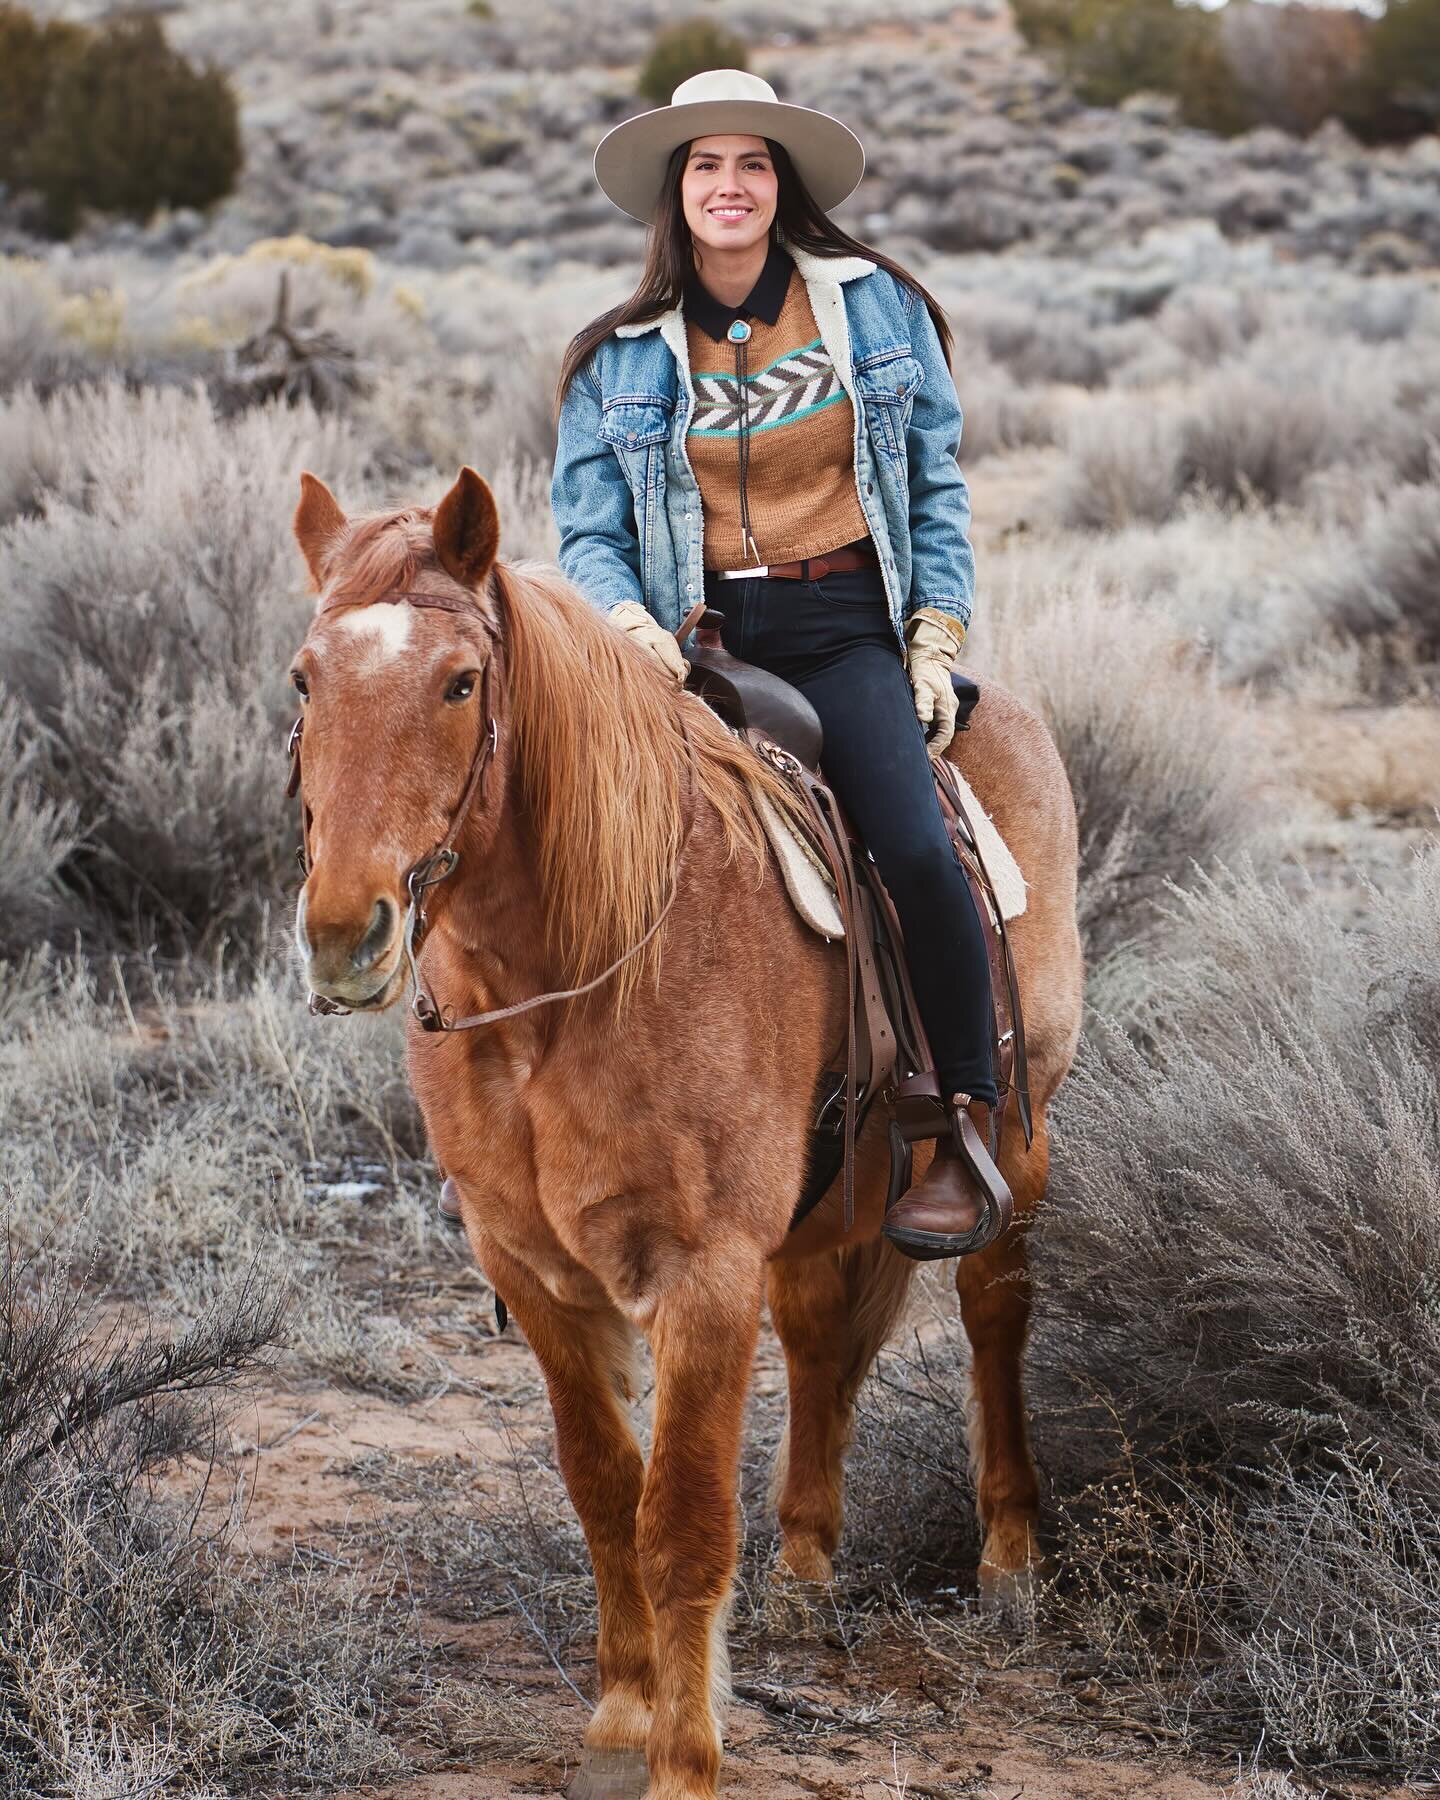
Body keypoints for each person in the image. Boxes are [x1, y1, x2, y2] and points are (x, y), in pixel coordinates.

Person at [543, 68, 1008, 1260]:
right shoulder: (619, 360)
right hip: (694, 647)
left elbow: (934, 485)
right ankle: (545, 1156)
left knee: (909, 841)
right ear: (676, 194)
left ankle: (961, 1121)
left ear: (781, 185)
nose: (731, 185)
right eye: (707, 166)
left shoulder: (874, 308)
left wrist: (934, 634)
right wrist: (629, 628)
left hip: (844, 627)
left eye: (752, 164)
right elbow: (591, 533)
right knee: (581, 854)